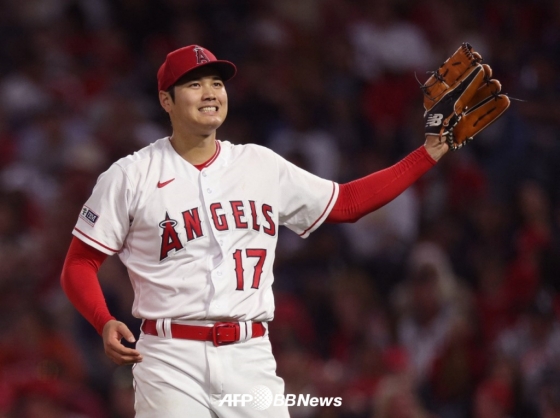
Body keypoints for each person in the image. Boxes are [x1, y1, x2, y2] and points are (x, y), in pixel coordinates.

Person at [60, 44, 449, 417]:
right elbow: (79, 263)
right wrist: (103, 319)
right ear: (166, 100)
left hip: (249, 354)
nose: (210, 93)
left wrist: (428, 152)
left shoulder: (260, 165)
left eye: (216, 83)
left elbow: (346, 203)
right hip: (169, 356)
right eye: (194, 84)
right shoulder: (131, 175)